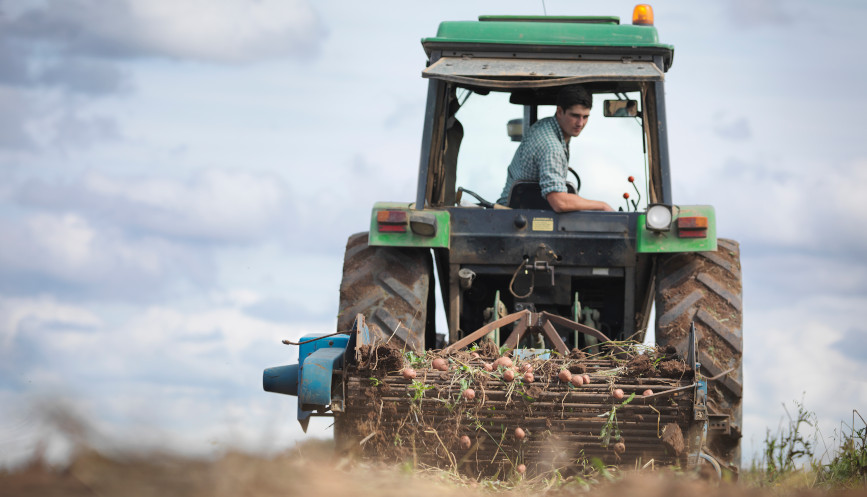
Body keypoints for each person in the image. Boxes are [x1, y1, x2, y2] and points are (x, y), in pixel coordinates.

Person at [496, 85, 614, 212]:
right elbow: (559, 202)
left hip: (524, 214)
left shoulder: (546, 125)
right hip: (513, 218)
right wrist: (603, 206)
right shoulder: (552, 148)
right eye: (575, 116)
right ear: (559, 112)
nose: (580, 123)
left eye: (585, 117)